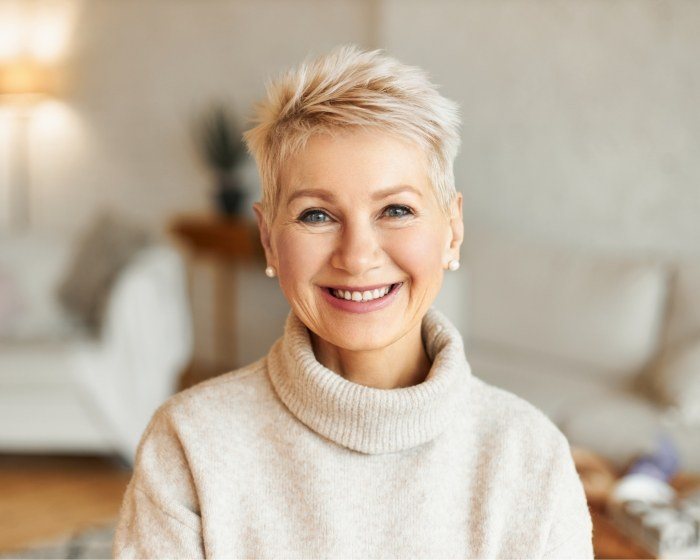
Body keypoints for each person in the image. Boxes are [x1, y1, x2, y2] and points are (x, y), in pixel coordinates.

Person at [113, 45, 593, 559]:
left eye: (396, 209)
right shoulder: (190, 445)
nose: (358, 256)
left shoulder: (531, 456)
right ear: (270, 240)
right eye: (317, 215)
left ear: (452, 231)